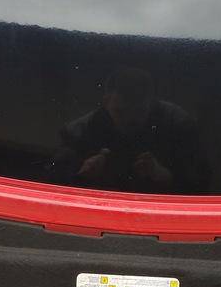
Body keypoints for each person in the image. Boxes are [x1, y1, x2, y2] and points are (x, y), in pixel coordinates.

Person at [51, 68, 209, 194]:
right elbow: (55, 178)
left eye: (139, 112)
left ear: (151, 103)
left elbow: (203, 181)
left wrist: (166, 176)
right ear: (106, 102)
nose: (128, 120)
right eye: (120, 111)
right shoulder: (80, 130)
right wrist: (81, 174)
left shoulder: (179, 125)